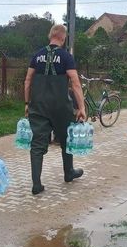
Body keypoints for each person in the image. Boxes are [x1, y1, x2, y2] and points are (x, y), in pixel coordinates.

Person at [24, 24, 87, 195]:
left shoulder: (37, 56)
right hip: (61, 107)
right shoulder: (66, 56)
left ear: (50, 35)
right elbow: (75, 83)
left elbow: (28, 80)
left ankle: (36, 184)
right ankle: (69, 173)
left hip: (38, 106)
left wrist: (27, 103)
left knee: (37, 144)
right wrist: (81, 107)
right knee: (66, 140)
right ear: (63, 38)